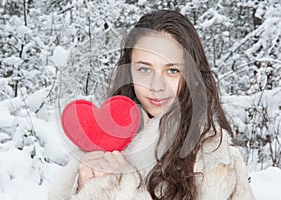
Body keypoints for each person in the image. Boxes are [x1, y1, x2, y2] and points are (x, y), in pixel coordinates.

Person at [49, 10, 255, 200]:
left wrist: (116, 191)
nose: (157, 86)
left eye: (172, 71)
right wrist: (86, 187)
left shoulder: (213, 156)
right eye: (144, 70)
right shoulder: (100, 141)